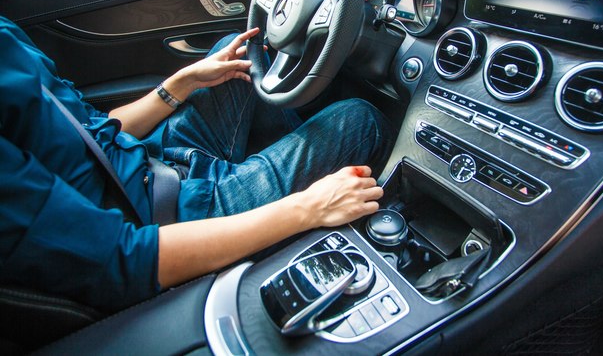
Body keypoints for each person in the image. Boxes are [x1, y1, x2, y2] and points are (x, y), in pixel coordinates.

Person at [0, 16, 393, 313]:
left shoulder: (5, 33)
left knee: (241, 56)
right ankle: (272, 208)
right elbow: (124, 260)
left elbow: (89, 129)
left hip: (147, 161)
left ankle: (266, 183)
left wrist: (181, 83)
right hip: (163, 221)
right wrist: (308, 207)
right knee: (360, 121)